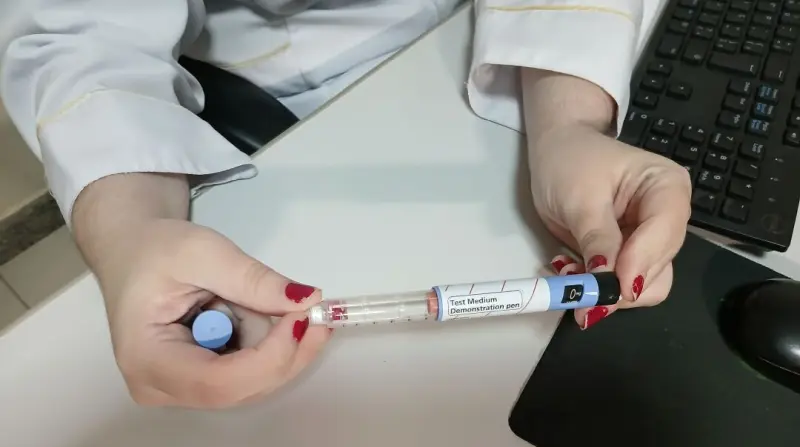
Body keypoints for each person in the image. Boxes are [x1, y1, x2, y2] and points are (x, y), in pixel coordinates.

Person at [0, 0, 691, 409]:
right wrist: (130, 231)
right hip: (291, 75)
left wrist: (569, 125)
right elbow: (80, 31)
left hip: (485, 44)